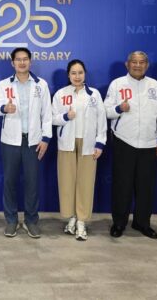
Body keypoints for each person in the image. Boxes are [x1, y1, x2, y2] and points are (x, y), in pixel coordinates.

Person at [104, 51, 157, 239]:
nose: (137, 65)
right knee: (122, 185)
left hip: (149, 143)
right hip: (124, 141)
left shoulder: (155, 86)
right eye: (134, 62)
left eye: (141, 62)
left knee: (145, 186)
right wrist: (119, 108)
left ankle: (142, 223)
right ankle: (119, 223)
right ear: (127, 64)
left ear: (147, 65)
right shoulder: (117, 84)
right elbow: (105, 111)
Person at [0, 47, 52, 238]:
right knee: (9, 182)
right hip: (10, 141)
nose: (22, 62)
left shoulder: (41, 85)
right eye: (18, 59)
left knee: (32, 183)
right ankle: (11, 220)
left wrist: (46, 138)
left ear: (30, 62)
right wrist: (4, 108)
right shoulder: (4, 84)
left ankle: (31, 221)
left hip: (33, 141)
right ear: (13, 63)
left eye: (25, 59)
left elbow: (47, 114)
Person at [52, 59, 106, 241]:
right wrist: (66, 116)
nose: (77, 76)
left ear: (85, 74)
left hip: (88, 144)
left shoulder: (94, 95)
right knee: (67, 181)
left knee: (85, 182)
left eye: (80, 73)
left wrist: (100, 143)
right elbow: (52, 118)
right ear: (68, 75)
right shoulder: (60, 94)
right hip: (66, 143)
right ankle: (71, 217)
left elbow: (101, 120)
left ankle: (82, 221)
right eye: (73, 73)